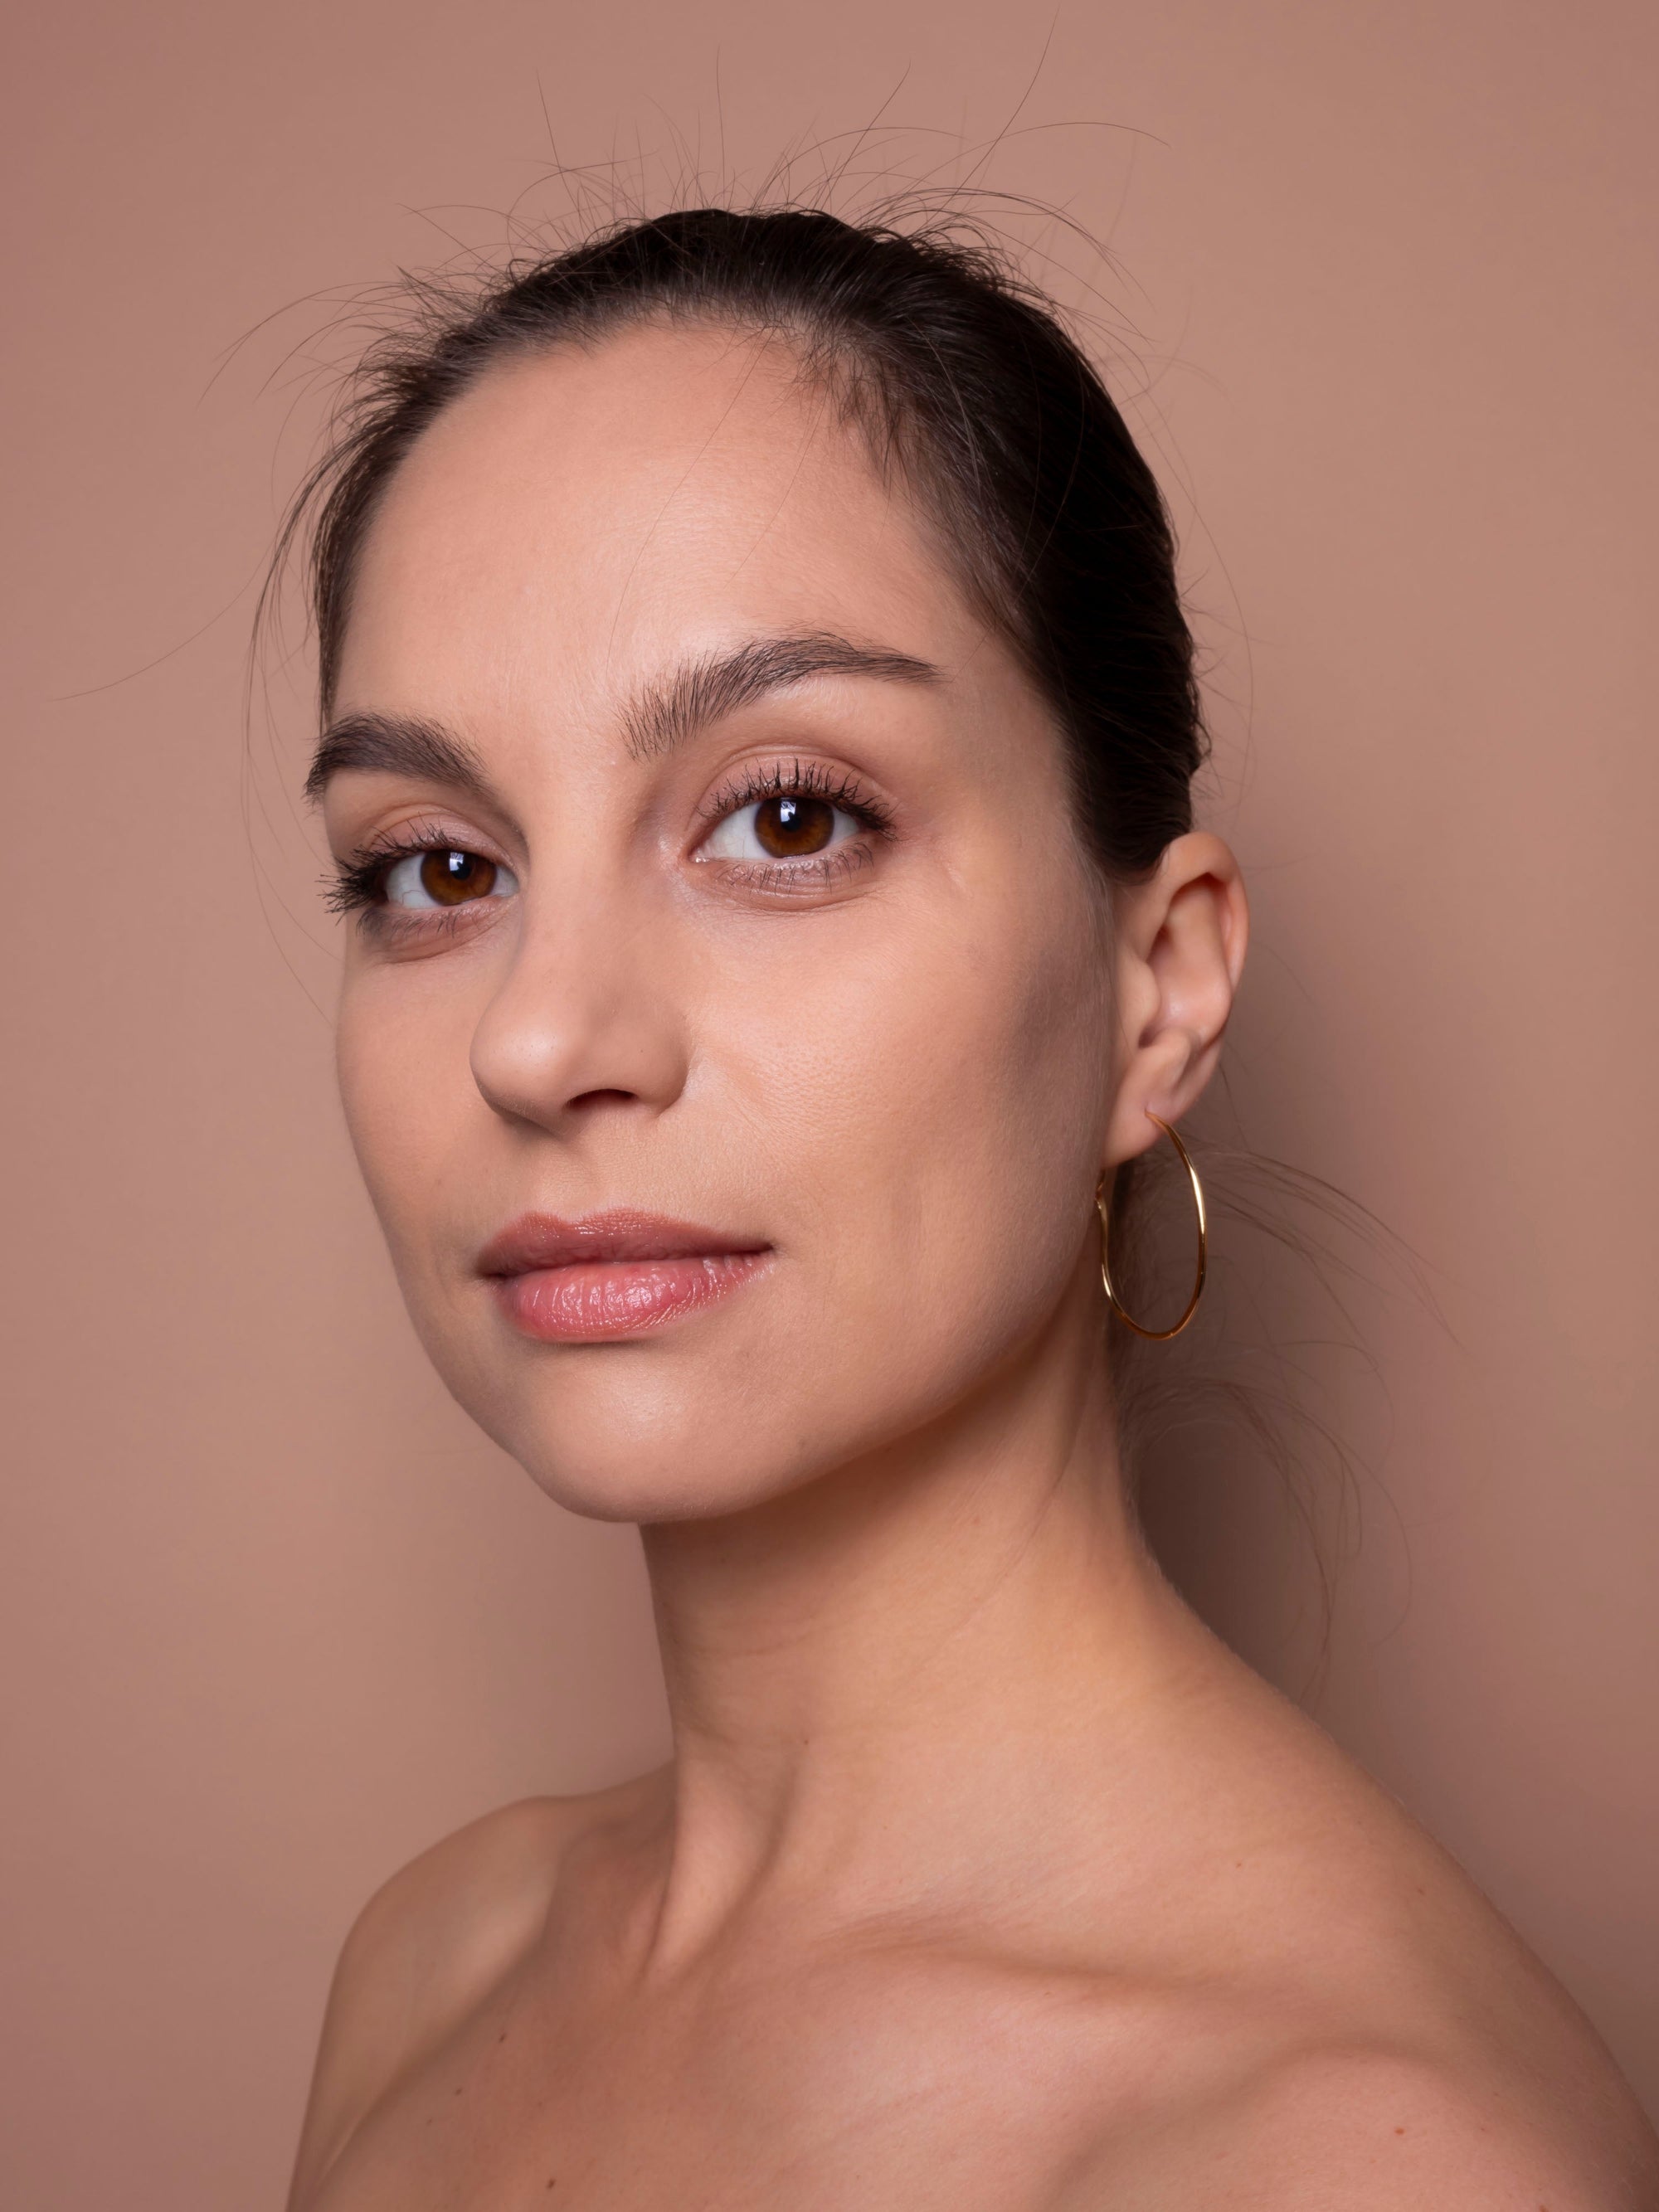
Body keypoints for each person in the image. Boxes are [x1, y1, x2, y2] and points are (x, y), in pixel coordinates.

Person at [281, 207, 1658, 2209]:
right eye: (433, 867)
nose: (539, 1035)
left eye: (787, 816)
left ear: (1157, 987)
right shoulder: (433, 1960)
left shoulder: (1366, 2158)